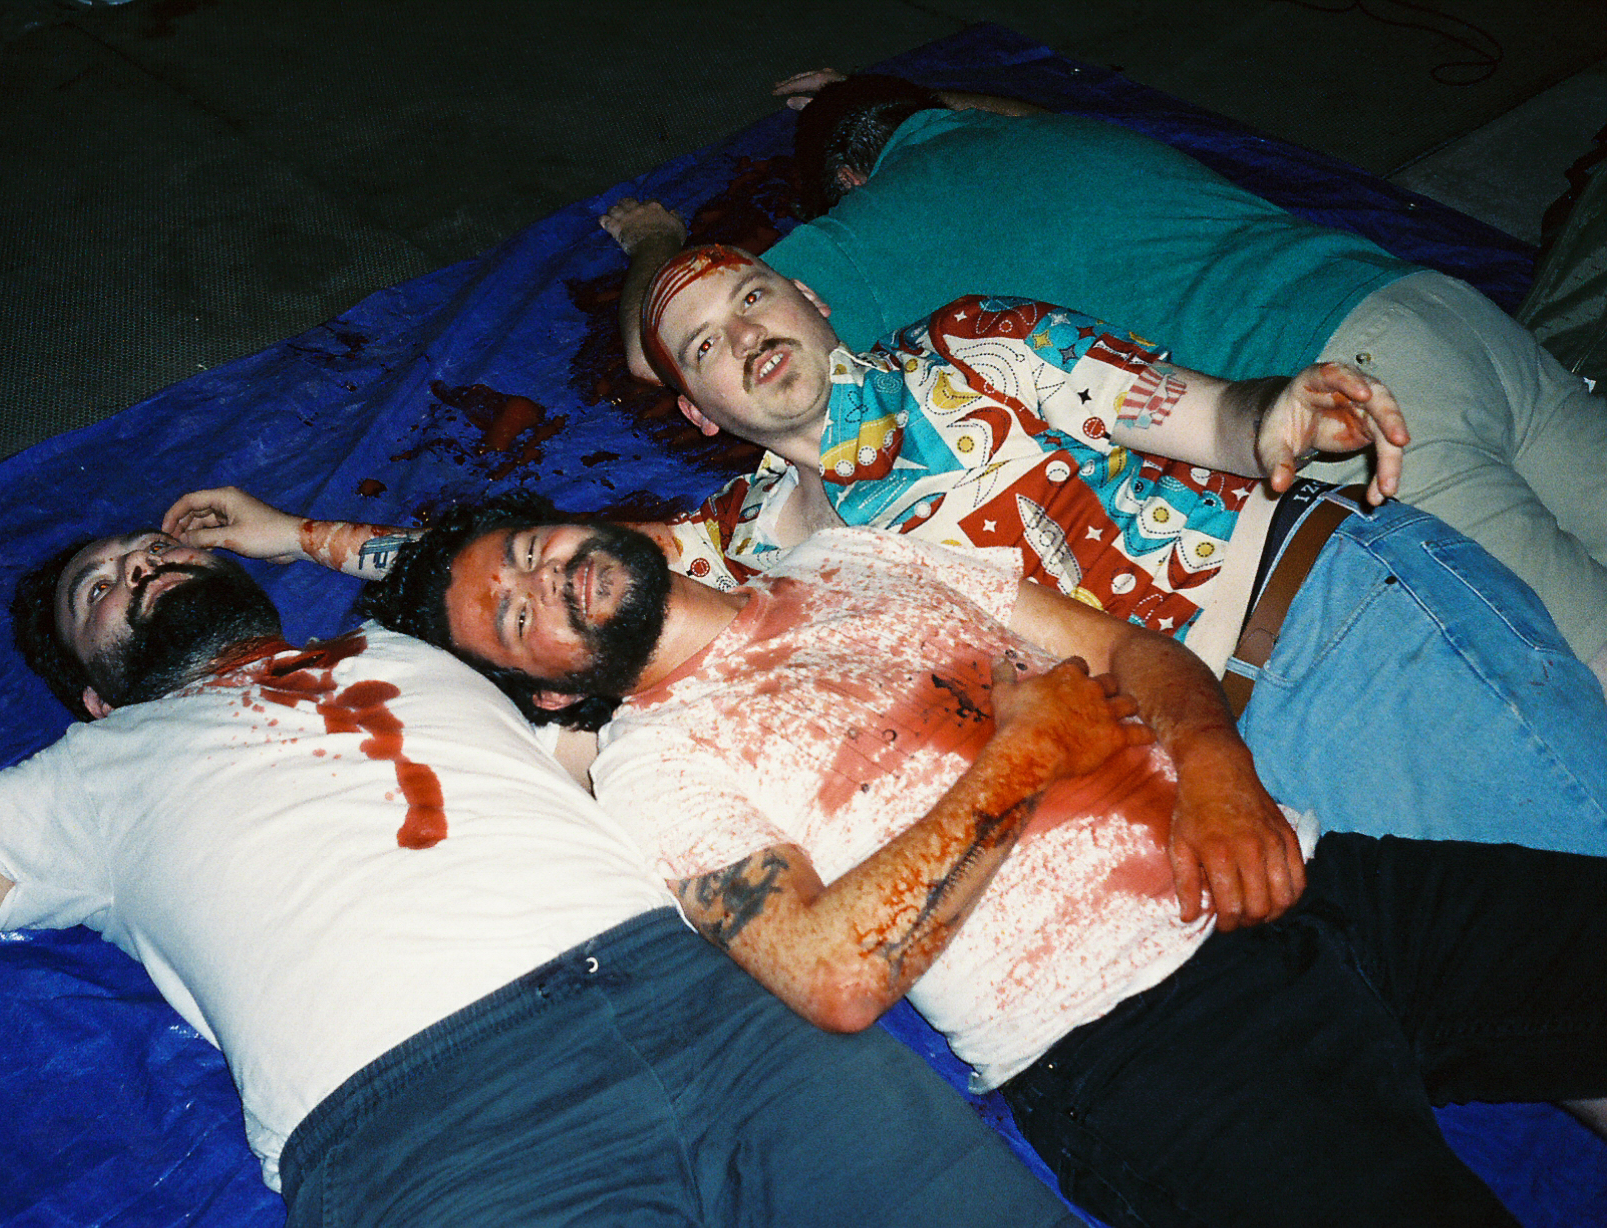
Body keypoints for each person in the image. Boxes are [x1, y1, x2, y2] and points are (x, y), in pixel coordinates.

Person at [363, 495, 1607, 1228]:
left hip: (1310, 870)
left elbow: (1127, 651)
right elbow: (832, 973)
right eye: (515, 615)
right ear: (548, 693)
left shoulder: (852, 555)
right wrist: (1024, 755)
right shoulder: (655, 766)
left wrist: (1216, 761)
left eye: (525, 548)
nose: (544, 578)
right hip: (1144, 1042)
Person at [0, 530, 1083, 1228]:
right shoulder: (78, 778)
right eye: (100, 590)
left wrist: (291, 528)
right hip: (438, 1128)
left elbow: (507, 565)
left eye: (143, 549)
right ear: (92, 688)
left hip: (715, 1017)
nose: (135, 565)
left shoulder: (404, 649)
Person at [603, 72, 1607, 681]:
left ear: (849, 190)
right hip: (1442, 313)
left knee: (1582, 670)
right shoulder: (1055, 131)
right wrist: (882, 95)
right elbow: (1000, 108)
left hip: (1347, 394)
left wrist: (655, 238)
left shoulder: (867, 235)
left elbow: (662, 351)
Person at [621, 242, 1607, 855]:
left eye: (752, 296)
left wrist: (1279, 414)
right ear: (698, 414)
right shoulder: (740, 547)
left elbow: (1211, 416)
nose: (742, 336)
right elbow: (570, 599)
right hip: (1217, 787)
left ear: (809, 296)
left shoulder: (972, 348)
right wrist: (644, 243)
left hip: (1328, 640)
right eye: (704, 346)